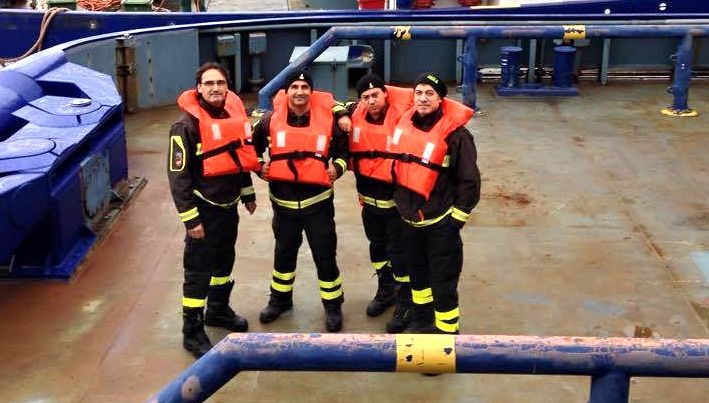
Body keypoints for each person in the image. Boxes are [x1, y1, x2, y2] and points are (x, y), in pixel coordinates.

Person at [168, 62, 259, 358]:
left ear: (227, 87)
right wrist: (190, 219)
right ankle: (191, 331)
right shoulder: (184, 127)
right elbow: (178, 177)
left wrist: (247, 192)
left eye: (220, 83)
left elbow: (238, 157)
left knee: (224, 262)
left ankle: (217, 310)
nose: (215, 88)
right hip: (203, 211)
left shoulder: (232, 116)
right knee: (198, 270)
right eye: (209, 83)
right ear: (199, 88)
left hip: (228, 207)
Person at [253, 70, 351, 332]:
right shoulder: (268, 121)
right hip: (283, 206)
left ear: (311, 92)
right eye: (294, 87)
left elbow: (345, 153)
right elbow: (250, 147)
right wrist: (260, 166)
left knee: (325, 256)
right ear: (286, 92)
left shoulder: (330, 122)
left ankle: (333, 305)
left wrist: (337, 168)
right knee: (283, 255)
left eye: (304, 87)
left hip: (318, 205)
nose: (299, 91)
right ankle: (279, 300)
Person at [390, 73, 481, 335]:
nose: (423, 98)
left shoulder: (457, 136)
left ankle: (446, 335)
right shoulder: (404, 126)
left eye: (429, 93)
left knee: (443, 283)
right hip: (410, 222)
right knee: (418, 279)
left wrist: (456, 221)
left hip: (441, 225)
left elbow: (469, 181)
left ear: (441, 99)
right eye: (418, 93)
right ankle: (422, 322)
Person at [347, 73, 413, 333]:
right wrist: (341, 114)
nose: (371, 101)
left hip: (396, 205)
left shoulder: (406, 117)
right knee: (377, 247)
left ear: (385, 94)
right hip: (369, 202)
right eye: (365, 97)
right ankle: (386, 289)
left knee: (400, 252)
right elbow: (331, 106)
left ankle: (406, 299)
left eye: (375, 95)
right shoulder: (354, 116)